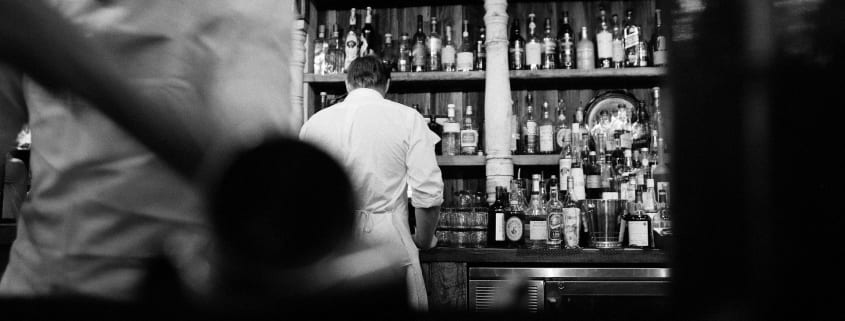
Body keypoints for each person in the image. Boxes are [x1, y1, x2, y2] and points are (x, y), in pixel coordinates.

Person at [0, 0, 293, 300]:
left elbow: (252, 175)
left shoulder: (249, 8)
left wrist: (88, 74)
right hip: (51, 288)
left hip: (200, 288)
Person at [299, 56, 444, 312]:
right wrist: (423, 240)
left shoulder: (314, 123)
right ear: (386, 85)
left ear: (347, 83)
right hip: (389, 245)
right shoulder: (408, 119)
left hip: (331, 248)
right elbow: (428, 193)